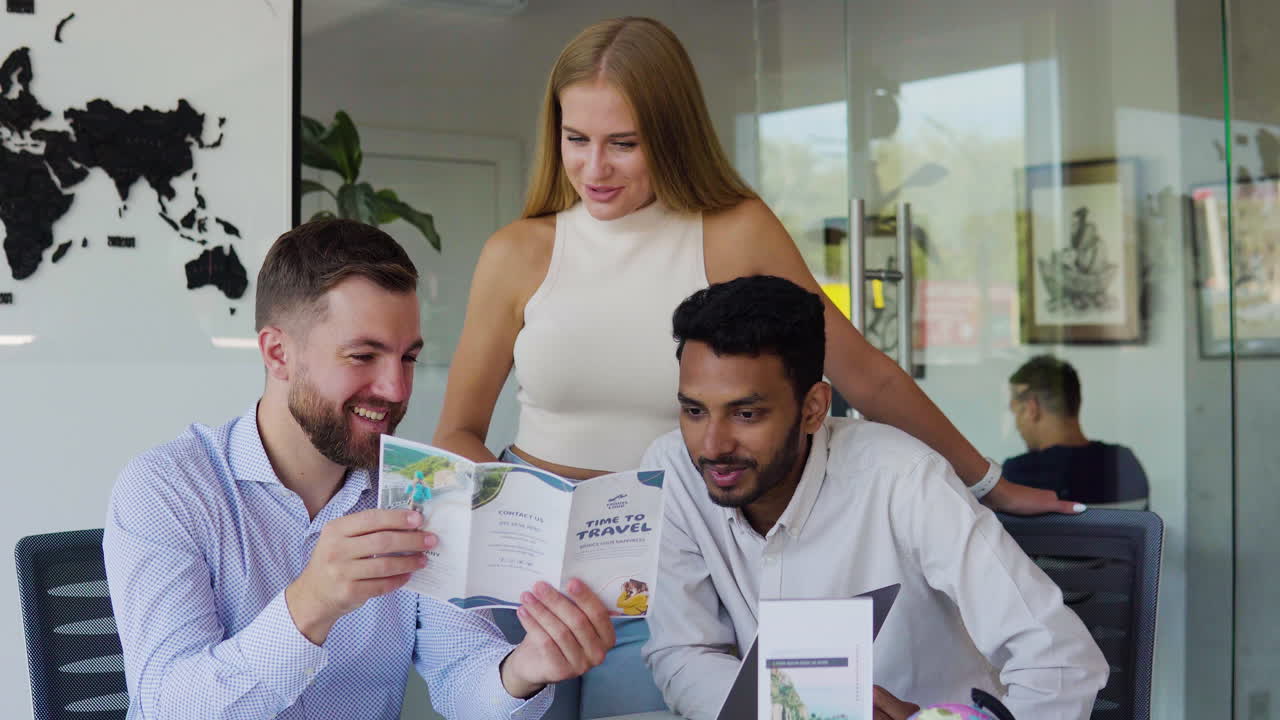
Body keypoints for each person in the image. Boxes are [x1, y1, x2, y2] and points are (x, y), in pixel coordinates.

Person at [432, 15, 1080, 717]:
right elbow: (457, 430)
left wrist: (986, 480)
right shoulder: (517, 252)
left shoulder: (734, 231)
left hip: (665, 569)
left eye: (623, 144)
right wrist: (522, 520)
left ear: (671, 135)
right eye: (576, 140)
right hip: (529, 571)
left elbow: (864, 373)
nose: (594, 168)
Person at [102, 219, 614, 720]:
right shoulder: (167, 489)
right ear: (278, 353)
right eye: (364, 355)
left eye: (408, 358)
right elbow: (170, 705)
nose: (395, 389)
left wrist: (522, 670)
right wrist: (313, 602)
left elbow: (462, 670)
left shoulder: (420, 490)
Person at [641, 276, 1109, 720]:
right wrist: (805, 705)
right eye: (694, 411)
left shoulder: (903, 478)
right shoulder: (673, 472)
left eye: (746, 413)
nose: (713, 445)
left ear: (813, 409)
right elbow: (683, 653)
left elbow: (1062, 661)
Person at [1004, 354, 1150, 507]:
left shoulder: (1017, 475)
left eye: (1015, 410)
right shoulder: (1124, 464)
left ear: (1031, 408)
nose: (1016, 425)